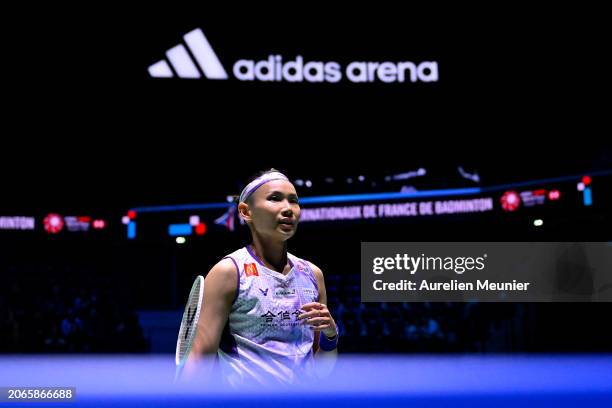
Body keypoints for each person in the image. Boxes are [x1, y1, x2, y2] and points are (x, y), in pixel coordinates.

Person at [187, 169, 338, 386]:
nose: (288, 209)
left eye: (294, 201)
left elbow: (321, 373)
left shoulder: (312, 275)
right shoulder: (229, 272)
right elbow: (199, 358)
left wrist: (331, 337)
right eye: (275, 198)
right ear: (246, 212)